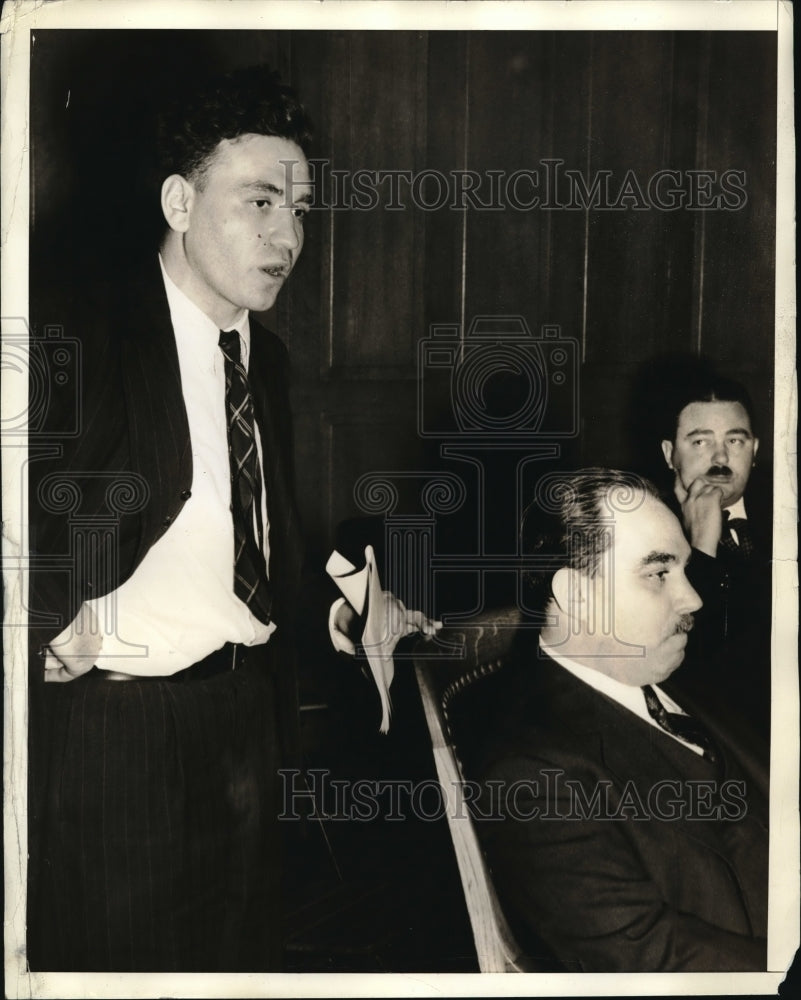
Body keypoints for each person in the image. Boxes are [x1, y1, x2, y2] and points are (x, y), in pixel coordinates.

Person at [26, 64, 433, 973]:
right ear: (180, 201)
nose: (287, 236)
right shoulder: (77, 328)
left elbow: (255, 537)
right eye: (259, 202)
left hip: (249, 722)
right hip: (118, 734)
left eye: (300, 210)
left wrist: (341, 611)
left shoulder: (266, 360)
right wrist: (40, 620)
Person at [472, 469, 768, 972]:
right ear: (577, 596)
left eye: (683, 568)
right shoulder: (532, 774)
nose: (693, 599)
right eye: (658, 574)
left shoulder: (675, 668)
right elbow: (649, 955)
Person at [659, 374, 772, 735]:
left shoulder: (784, 513)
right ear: (670, 454)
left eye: (735, 441)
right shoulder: (647, 533)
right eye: (700, 442)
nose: (721, 457)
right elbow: (685, 675)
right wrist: (701, 549)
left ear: (754, 450)